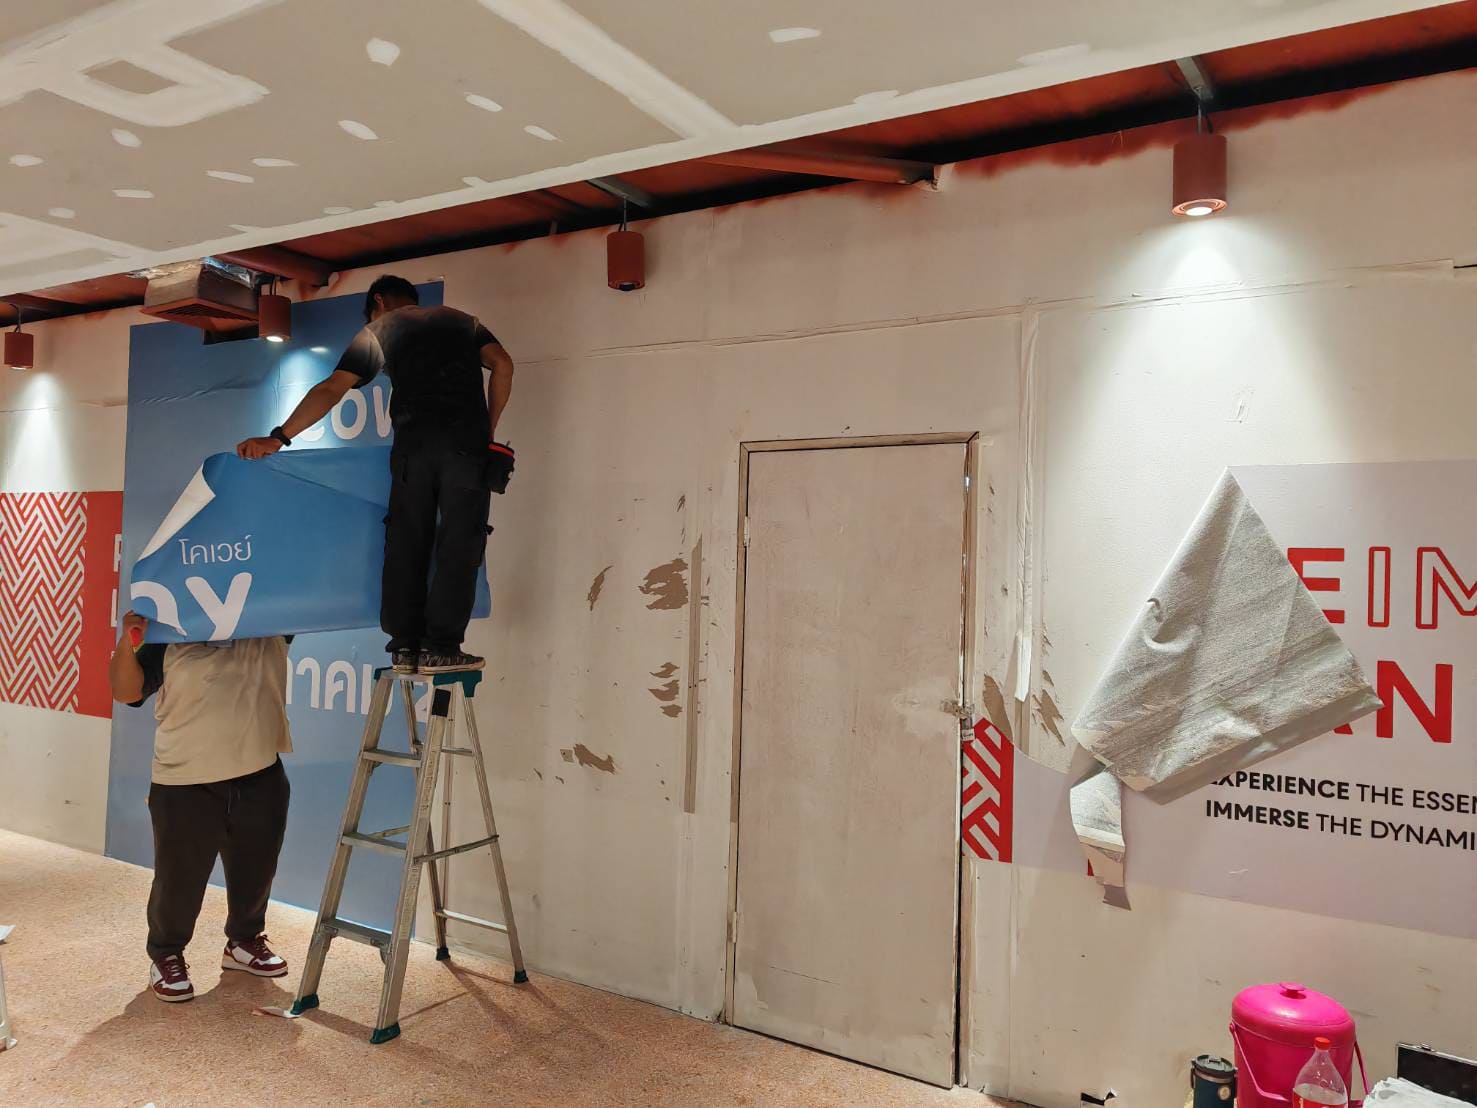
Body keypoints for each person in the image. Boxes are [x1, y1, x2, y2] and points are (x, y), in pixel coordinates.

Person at [236, 275, 514, 675]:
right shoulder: (462, 321)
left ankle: (404, 646)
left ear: (378, 302)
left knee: (407, 541)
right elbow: (503, 364)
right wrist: (487, 431)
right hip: (465, 449)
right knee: (460, 542)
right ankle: (441, 648)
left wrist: (278, 437)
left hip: (412, 450)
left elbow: (332, 388)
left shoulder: (381, 329)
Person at [109, 611, 293, 1003]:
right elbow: (126, 692)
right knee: (179, 880)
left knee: (257, 870)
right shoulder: (171, 628)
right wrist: (129, 639)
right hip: (185, 778)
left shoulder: (271, 614)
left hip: (260, 771)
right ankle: (166, 954)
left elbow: (317, 598)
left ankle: (243, 942)